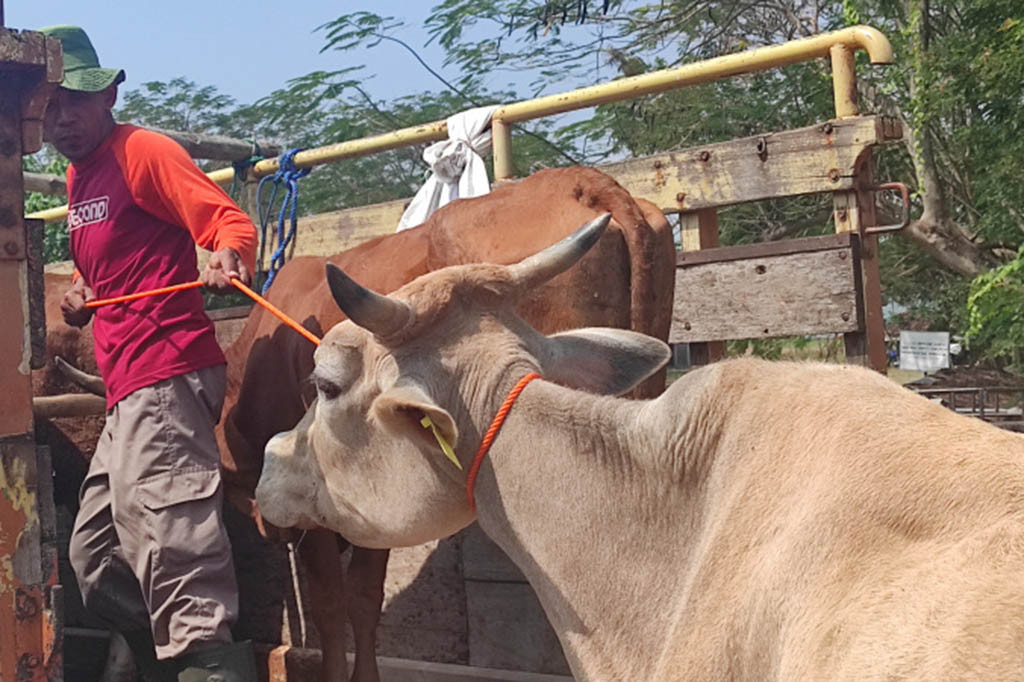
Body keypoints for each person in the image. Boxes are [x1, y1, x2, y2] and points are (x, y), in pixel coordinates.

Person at [40, 25, 258, 682]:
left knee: (174, 552)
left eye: (73, 102)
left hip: (167, 372)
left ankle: (203, 654)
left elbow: (231, 223)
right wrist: (83, 297)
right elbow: (108, 270)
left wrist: (227, 257)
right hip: (125, 387)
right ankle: (175, 660)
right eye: (48, 108)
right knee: (97, 559)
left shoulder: (142, 151)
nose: (61, 120)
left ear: (106, 96)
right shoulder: (80, 178)